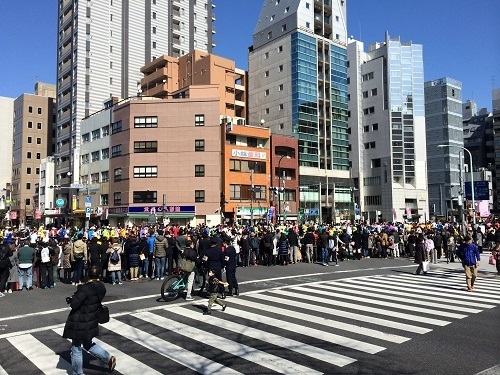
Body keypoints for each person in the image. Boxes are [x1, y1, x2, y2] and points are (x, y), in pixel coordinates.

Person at [62, 265, 116, 374]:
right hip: (92, 319)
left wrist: (74, 297)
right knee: (87, 343)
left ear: (88, 274)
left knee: (76, 347)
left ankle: (78, 373)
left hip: (80, 320)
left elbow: (74, 304)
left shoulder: (86, 288)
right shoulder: (101, 287)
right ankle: (108, 358)